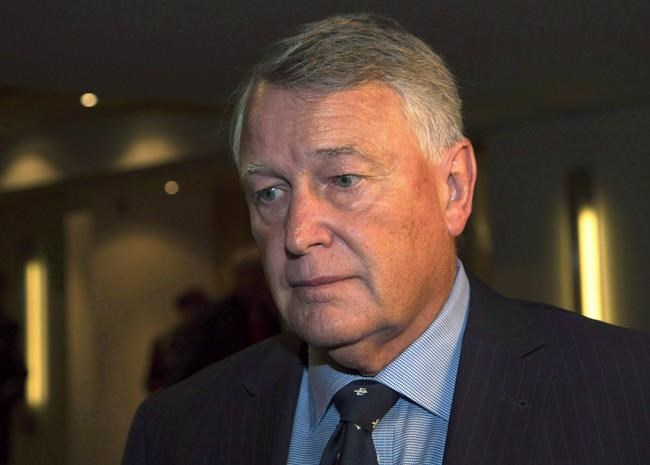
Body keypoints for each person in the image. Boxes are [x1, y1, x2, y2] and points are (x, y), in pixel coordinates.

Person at [123, 13, 650, 464]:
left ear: (454, 188)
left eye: (344, 179)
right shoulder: (176, 432)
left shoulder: (627, 394)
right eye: (270, 193)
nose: (298, 234)